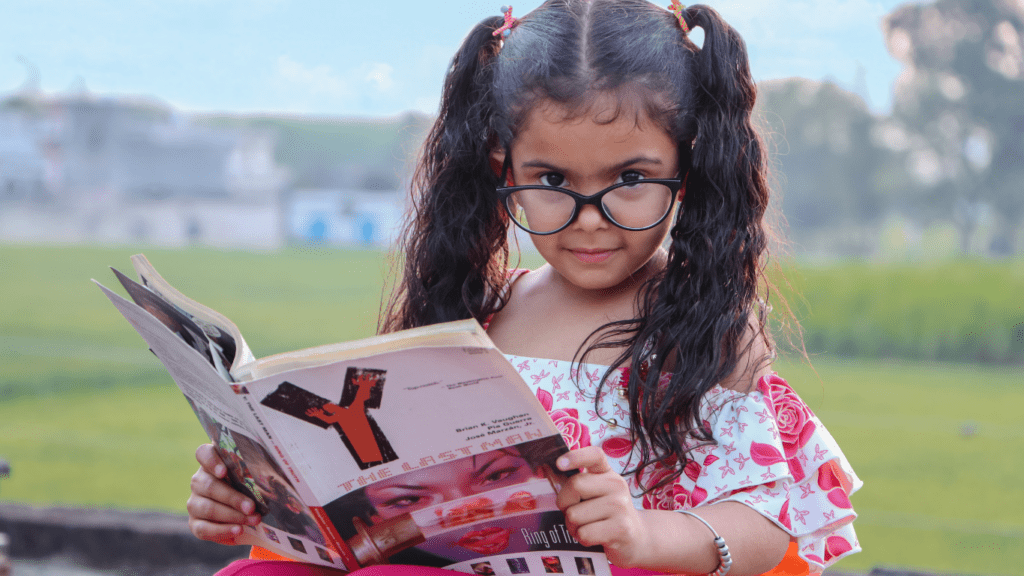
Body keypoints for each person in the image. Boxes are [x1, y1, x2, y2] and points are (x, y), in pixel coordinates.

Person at [185, 1, 862, 575]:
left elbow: (766, 518)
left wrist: (644, 535)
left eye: (629, 179)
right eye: (552, 181)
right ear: (502, 169)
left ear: (686, 169)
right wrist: (261, 495)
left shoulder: (704, 326)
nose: (589, 218)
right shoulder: (482, 310)